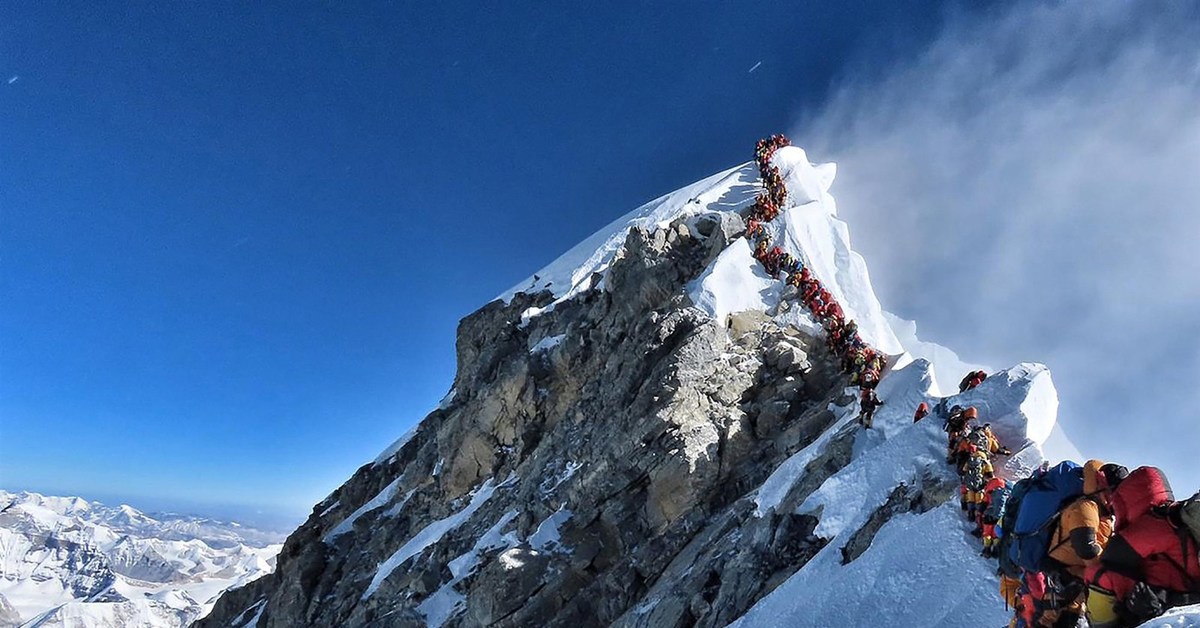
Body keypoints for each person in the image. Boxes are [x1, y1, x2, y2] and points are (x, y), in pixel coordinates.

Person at [1086, 467, 1200, 627]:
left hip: (1172, 601)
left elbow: (1113, 555)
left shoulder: (1156, 522)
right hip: (1179, 596)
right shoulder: (1172, 517)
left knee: (1099, 574)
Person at [1035, 461, 1128, 627]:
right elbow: (1087, 549)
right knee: (1050, 621)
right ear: (1103, 486)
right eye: (1116, 492)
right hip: (1063, 579)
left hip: (1074, 583)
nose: (1118, 499)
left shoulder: (1102, 515)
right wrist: (1110, 575)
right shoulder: (1086, 507)